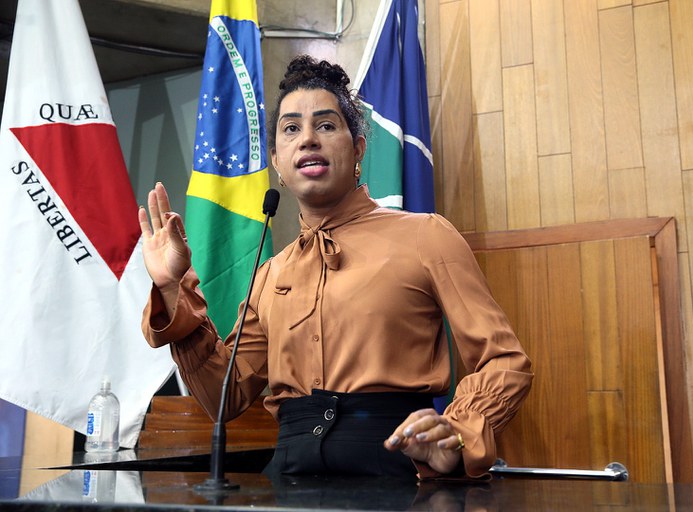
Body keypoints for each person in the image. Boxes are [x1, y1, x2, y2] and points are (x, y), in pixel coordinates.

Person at [139, 54, 533, 480]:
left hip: (397, 468)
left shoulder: (427, 235)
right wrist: (172, 288)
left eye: (326, 125)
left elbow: (504, 360)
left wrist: (458, 431)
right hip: (289, 479)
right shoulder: (269, 274)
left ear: (358, 148)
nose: (308, 139)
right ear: (277, 161)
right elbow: (225, 394)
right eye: (291, 129)